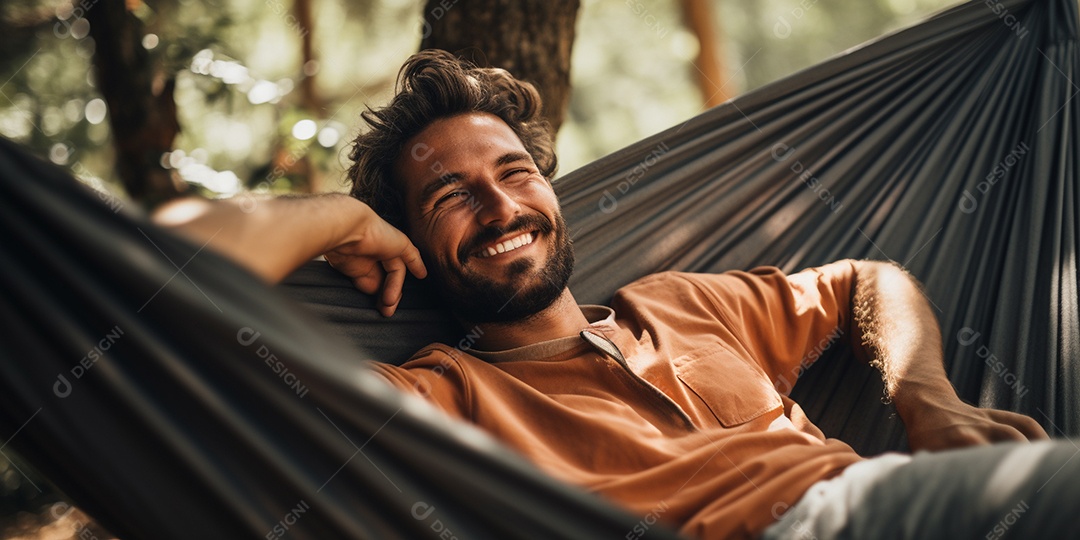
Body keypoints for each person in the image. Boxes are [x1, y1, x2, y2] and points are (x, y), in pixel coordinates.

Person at [154, 51, 1079, 539]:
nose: (500, 205)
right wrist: (331, 217)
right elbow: (155, 291)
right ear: (412, 245)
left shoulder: (677, 304)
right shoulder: (435, 401)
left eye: (516, 172)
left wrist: (931, 403)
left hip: (888, 496)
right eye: (449, 195)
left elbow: (867, 282)